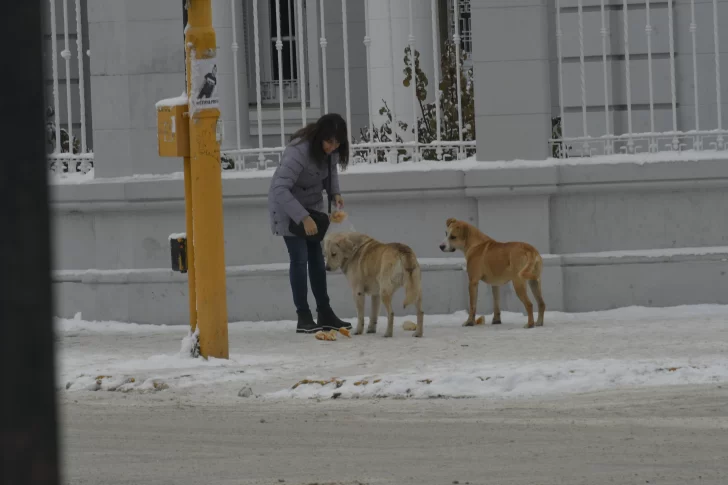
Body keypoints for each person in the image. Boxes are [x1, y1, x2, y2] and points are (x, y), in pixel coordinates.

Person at [268, 113, 353, 334]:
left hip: (312, 209)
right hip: (289, 208)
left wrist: (335, 194)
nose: (332, 147)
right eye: (329, 142)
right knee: (299, 259)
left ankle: (324, 312)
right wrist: (302, 217)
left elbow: (330, 172)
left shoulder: (330, 151)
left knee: (317, 259)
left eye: (337, 143)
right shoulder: (298, 152)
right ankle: (303, 316)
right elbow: (280, 188)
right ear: (319, 137)